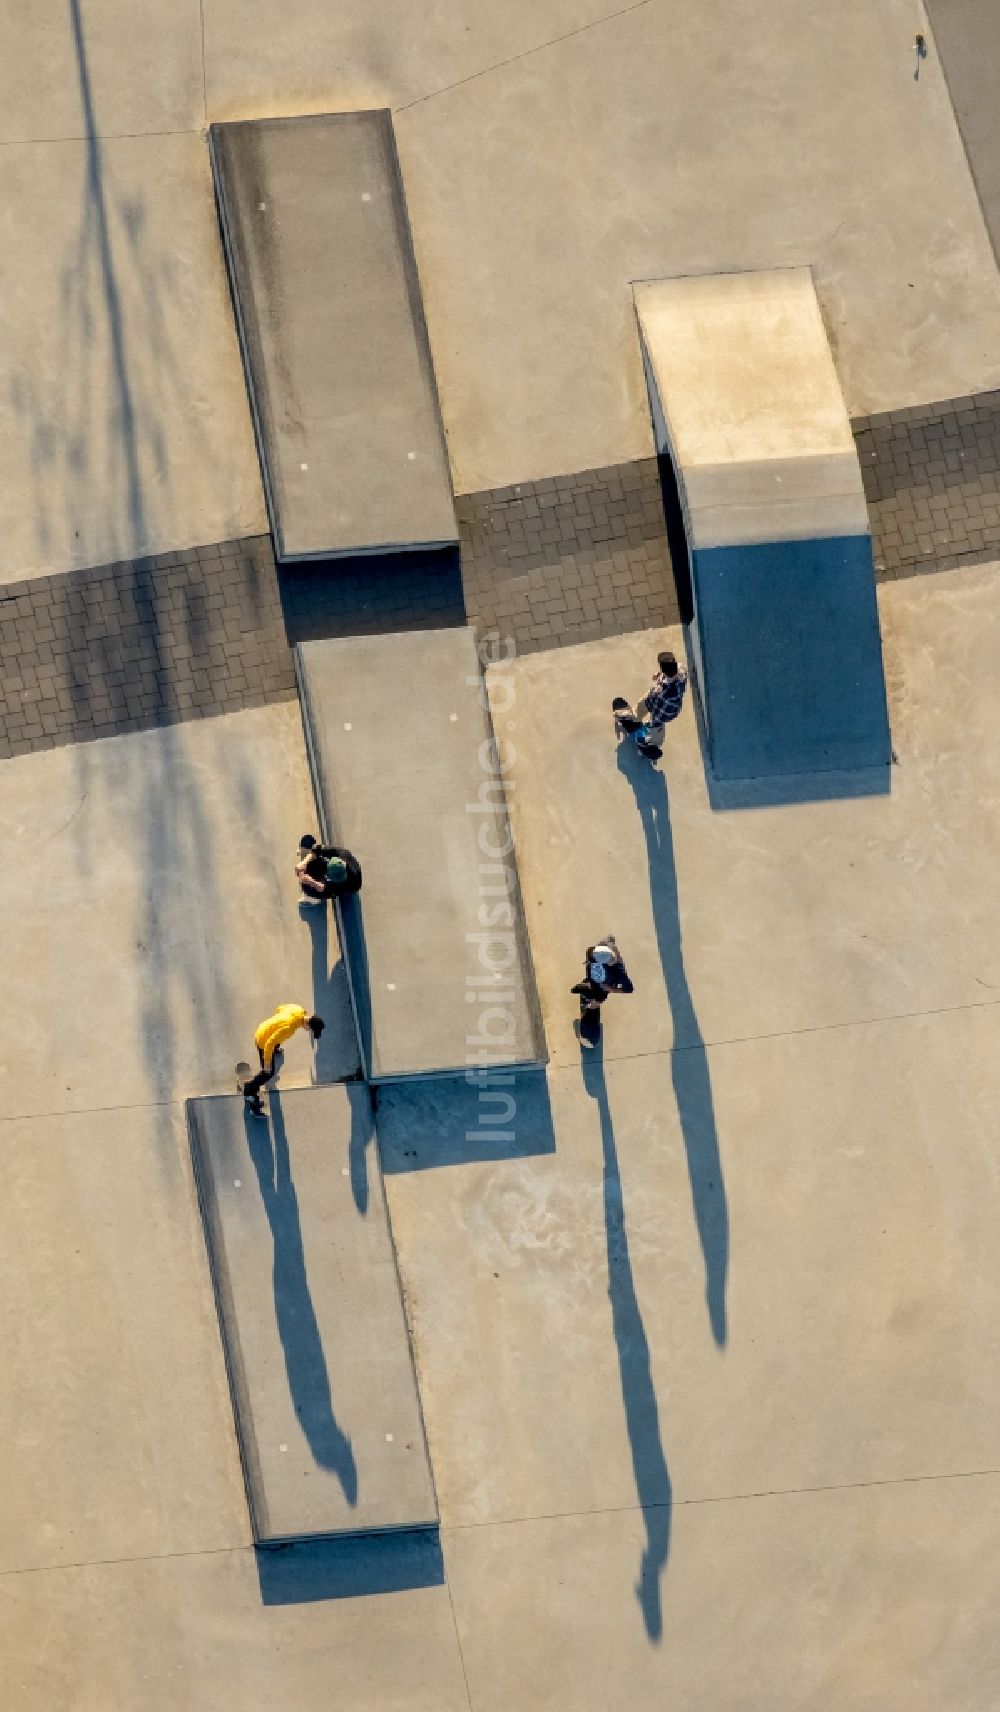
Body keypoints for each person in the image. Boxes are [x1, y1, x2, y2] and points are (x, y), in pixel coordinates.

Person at [242, 1004, 325, 1114]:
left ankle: (275, 1050)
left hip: (264, 1027)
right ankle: (248, 1091)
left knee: (277, 1039)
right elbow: (269, 1043)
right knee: (268, 1073)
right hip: (262, 1040)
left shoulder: (299, 1010)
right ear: (308, 1025)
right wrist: (267, 1062)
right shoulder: (289, 1028)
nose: (309, 1031)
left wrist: (276, 1025)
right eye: (311, 1030)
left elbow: (280, 1008)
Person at [614, 650, 688, 759]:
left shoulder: (662, 692)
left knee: (655, 725)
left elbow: (656, 693)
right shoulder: (682, 670)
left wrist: (655, 680)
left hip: (661, 712)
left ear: (663, 669)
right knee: (643, 707)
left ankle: (647, 742)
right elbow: (670, 676)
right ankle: (634, 717)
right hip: (667, 706)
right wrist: (660, 676)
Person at [571, 936, 634, 1046]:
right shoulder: (594, 953)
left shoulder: (618, 971)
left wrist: (611, 989)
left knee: (596, 1001)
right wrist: (610, 945)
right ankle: (587, 992)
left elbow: (629, 989)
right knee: (590, 993)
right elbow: (609, 939)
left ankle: (588, 1003)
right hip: (593, 982)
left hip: (601, 991)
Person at [296, 835, 363, 904]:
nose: (327, 876)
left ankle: (312, 898)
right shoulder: (341, 853)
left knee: (307, 888)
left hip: (345, 888)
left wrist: (310, 881)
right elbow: (316, 849)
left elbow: (321, 887)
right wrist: (304, 862)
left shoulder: (348, 885)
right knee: (307, 840)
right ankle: (305, 856)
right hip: (331, 867)